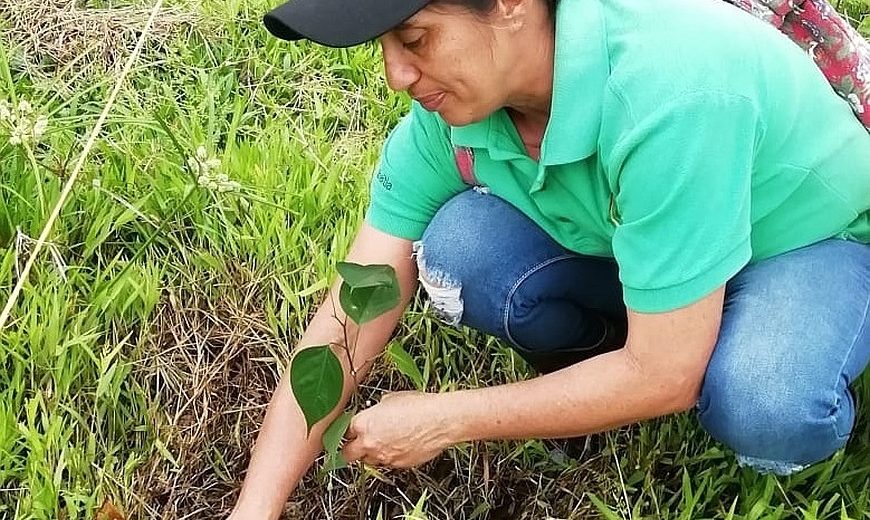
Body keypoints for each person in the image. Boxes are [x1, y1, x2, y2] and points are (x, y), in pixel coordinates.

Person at [229, 0, 870, 517]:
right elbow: (346, 322)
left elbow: (668, 374)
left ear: (510, 6)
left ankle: (724, 340)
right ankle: (641, 337)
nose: (396, 74)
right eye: (385, 48)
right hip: (653, 241)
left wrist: (445, 420)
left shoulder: (667, 89)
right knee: (460, 253)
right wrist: (254, 510)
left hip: (807, 240)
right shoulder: (449, 120)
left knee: (766, 405)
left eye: (416, 38)